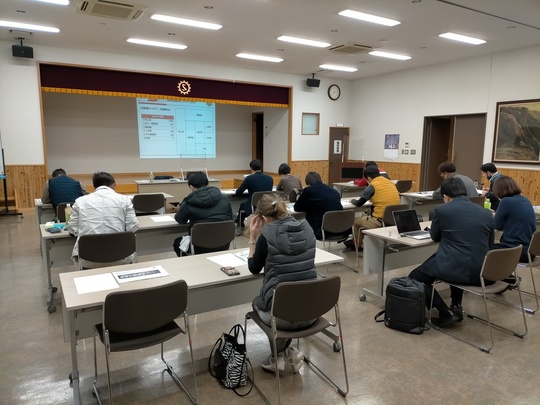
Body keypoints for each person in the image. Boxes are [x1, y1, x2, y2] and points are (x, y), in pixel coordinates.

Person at [408, 178, 494, 327]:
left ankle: (445, 312)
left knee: (415, 278)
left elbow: (435, 237)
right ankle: (456, 306)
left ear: (446, 196)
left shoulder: (442, 210)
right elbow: (490, 243)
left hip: (455, 268)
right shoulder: (486, 213)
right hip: (483, 271)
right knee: (458, 263)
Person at [247, 193, 317, 373]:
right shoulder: (307, 228)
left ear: (262, 218)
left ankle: (277, 357)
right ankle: (288, 351)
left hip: (283, 318)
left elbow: (253, 268)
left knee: (260, 302)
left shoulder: (267, 235)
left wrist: (253, 237)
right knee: (287, 300)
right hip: (312, 311)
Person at [68, 171, 139, 266]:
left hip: (88, 258)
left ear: (94, 186)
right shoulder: (125, 200)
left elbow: (72, 229)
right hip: (121, 256)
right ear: (114, 185)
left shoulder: (80, 201)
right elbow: (133, 227)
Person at [173, 171, 233, 256]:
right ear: (207, 184)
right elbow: (231, 218)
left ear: (191, 187)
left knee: (177, 243)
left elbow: (180, 219)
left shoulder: (188, 202)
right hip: (224, 243)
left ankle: (191, 262)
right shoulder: (224, 198)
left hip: (199, 246)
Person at [345, 165, 401, 250]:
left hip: (379, 221)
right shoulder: (390, 183)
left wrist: (352, 200)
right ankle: (361, 241)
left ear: (368, 178)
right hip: (394, 219)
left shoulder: (372, 186)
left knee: (355, 221)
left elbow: (359, 203)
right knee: (363, 218)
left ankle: (356, 245)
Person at [491, 175, 536, 264]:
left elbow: (496, 225)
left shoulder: (506, 201)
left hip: (514, 250)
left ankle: (491, 272)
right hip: (529, 251)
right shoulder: (525, 199)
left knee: (481, 249)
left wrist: (493, 215)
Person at [293, 171, 344, 240]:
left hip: (321, 230)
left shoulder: (308, 191)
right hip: (340, 228)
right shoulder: (334, 191)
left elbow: (297, 208)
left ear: (308, 183)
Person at [234, 159, 273, 224]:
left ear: (251, 168)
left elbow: (238, 193)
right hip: (266, 205)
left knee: (242, 205)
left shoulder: (249, 178)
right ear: (261, 168)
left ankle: (239, 223)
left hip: (253, 206)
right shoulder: (270, 178)